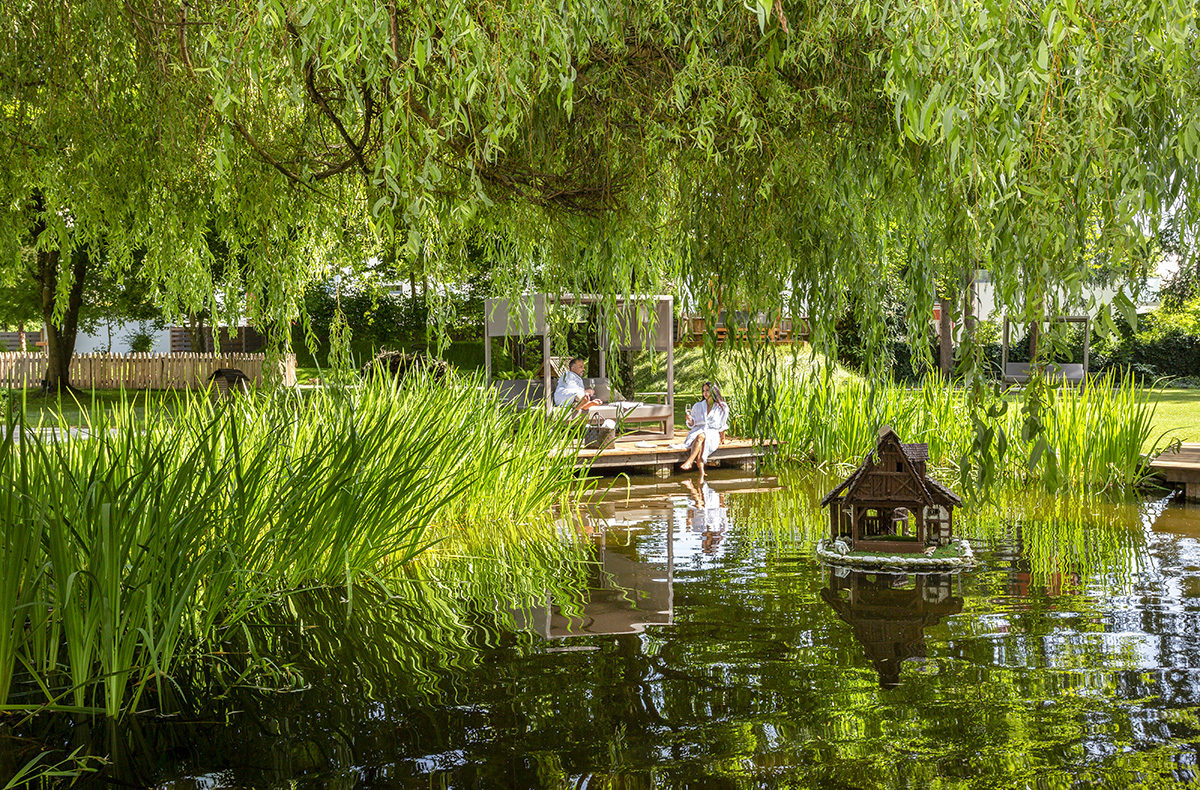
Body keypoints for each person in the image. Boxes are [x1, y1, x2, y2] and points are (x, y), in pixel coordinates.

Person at [680, 381, 729, 476]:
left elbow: (723, 424)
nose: (705, 393)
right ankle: (701, 472)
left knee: (701, 437)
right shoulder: (698, 406)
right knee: (701, 439)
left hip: (712, 433)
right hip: (698, 431)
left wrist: (722, 439)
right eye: (703, 391)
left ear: (714, 391)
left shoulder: (722, 407)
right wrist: (690, 420)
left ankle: (690, 461)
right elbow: (693, 422)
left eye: (707, 390)